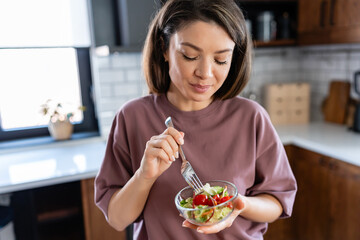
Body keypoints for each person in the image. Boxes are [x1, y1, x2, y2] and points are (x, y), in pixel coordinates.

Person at [94, 0, 297, 239]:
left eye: (221, 60)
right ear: (164, 48)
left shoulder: (252, 118)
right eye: (190, 56)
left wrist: (239, 204)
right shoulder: (132, 118)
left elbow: (277, 201)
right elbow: (117, 219)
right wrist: (144, 176)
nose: (205, 73)